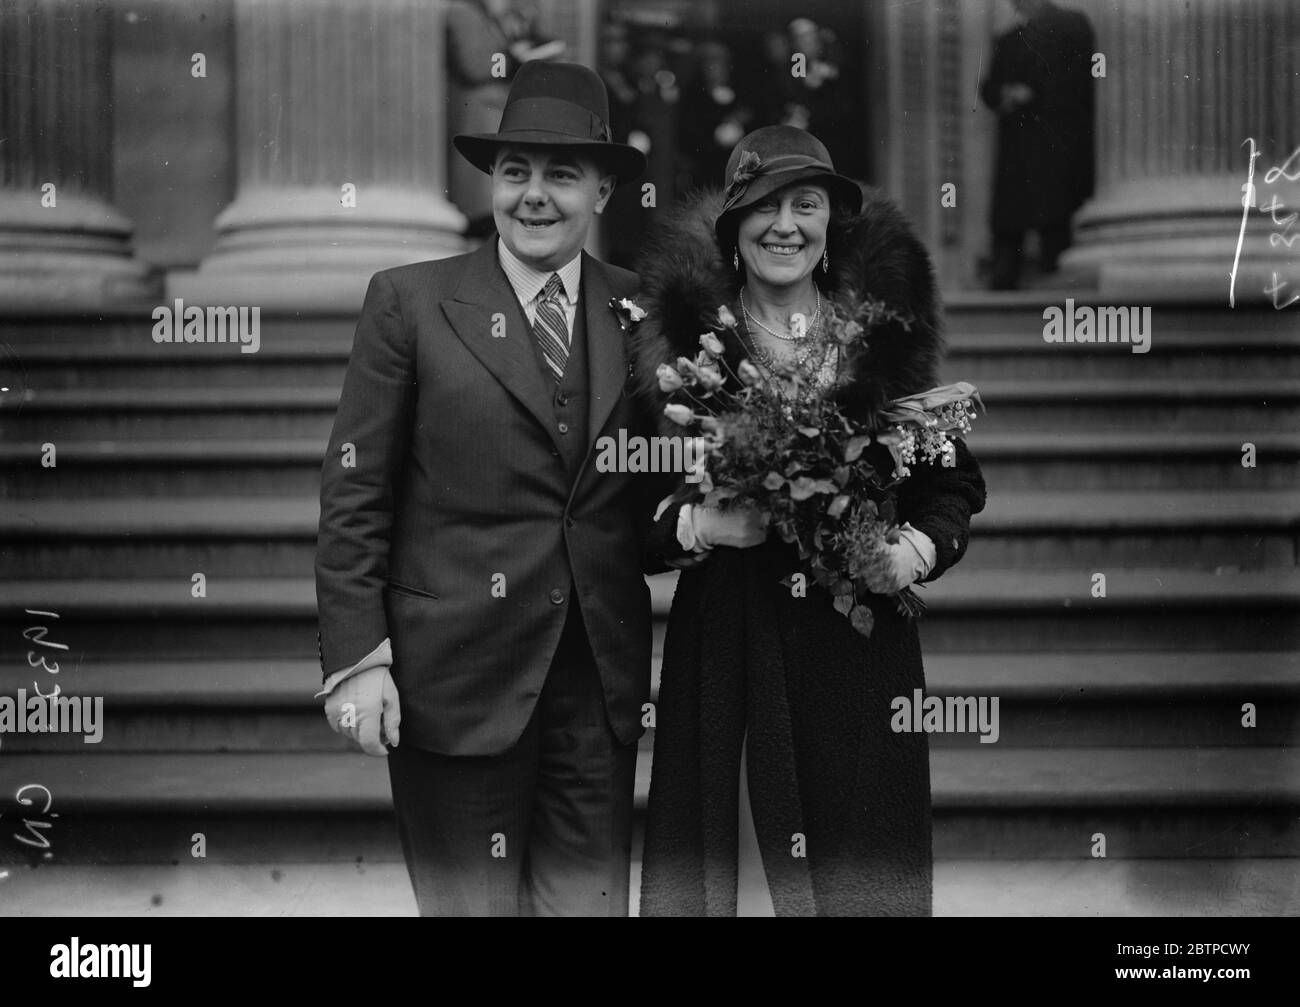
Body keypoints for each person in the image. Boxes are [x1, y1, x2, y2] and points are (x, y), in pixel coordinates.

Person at [315, 61, 655, 917]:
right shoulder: (410, 303)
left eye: (562, 175)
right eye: (515, 172)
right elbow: (358, 491)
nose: (534, 196)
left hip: (594, 689)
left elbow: (642, 502)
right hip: (453, 682)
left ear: (603, 192)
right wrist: (359, 659)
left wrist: (705, 522)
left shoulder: (643, 313)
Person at [631, 125, 987, 916]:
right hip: (731, 646)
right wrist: (701, 527)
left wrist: (910, 553)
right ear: (731, 227)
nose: (784, 224)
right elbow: (626, 514)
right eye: (762, 207)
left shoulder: (883, 343)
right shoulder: (685, 358)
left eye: (806, 204)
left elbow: (952, 485)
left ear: (831, 223)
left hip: (858, 657)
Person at [980, 0, 1096, 289]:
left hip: (1055, 141)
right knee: (1010, 223)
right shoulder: (1008, 39)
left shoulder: (1072, 25)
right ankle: (1005, 282)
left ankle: (1055, 282)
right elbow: (989, 87)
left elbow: (1081, 79)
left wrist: (1033, 92)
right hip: (1017, 147)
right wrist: (1005, 93)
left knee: (1055, 219)